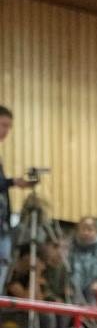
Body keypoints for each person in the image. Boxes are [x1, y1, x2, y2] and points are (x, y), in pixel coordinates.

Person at [0, 106, 40, 270]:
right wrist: (13, 182)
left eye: (9, 127)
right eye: (3, 125)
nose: (6, 131)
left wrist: (12, 182)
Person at [68, 217, 97, 306]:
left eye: (90, 230)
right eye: (83, 229)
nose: (86, 233)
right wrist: (68, 283)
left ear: (96, 232)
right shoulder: (71, 246)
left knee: (91, 306)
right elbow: (67, 266)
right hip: (73, 286)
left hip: (91, 287)